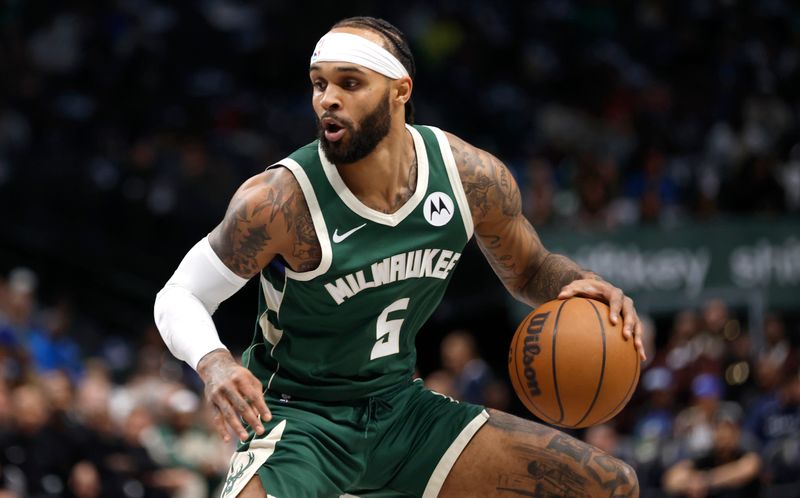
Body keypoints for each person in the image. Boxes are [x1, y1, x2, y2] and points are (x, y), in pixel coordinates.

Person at [153, 16, 646, 498]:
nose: (328, 99)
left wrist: (579, 283)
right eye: (319, 83)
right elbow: (179, 295)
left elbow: (532, 269)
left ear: (400, 91)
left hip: (402, 412)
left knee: (610, 486)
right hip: (298, 419)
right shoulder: (279, 202)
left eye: (350, 83)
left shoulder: (468, 176)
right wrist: (215, 363)